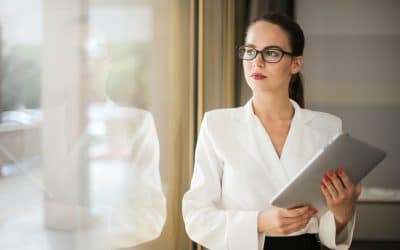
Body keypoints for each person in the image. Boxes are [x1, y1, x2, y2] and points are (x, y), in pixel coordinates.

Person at [182, 13, 361, 250]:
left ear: (296, 64)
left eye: (271, 53)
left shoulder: (327, 127)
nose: (257, 61)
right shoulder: (217, 124)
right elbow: (197, 219)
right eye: (250, 51)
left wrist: (342, 213)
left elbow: (329, 228)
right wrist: (259, 222)